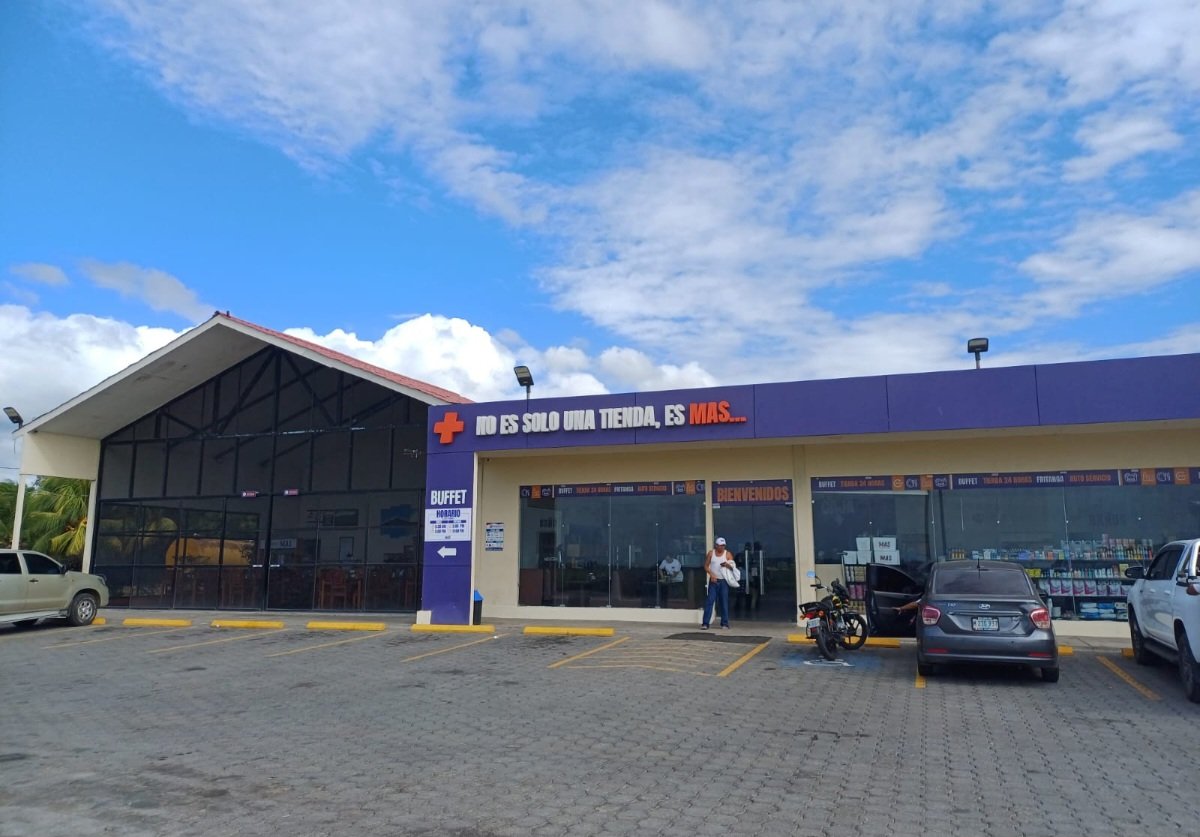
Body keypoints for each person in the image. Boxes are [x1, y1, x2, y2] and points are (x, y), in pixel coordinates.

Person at [702, 537, 736, 629]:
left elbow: (733, 568)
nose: (722, 547)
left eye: (723, 545)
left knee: (724, 602)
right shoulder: (711, 553)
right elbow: (706, 566)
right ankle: (705, 623)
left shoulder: (727, 554)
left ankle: (724, 623)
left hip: (723, 581)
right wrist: (711, 574)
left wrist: (727, 565)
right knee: (710, 601)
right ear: (716, 545)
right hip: (714, 581)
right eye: (720, 545)